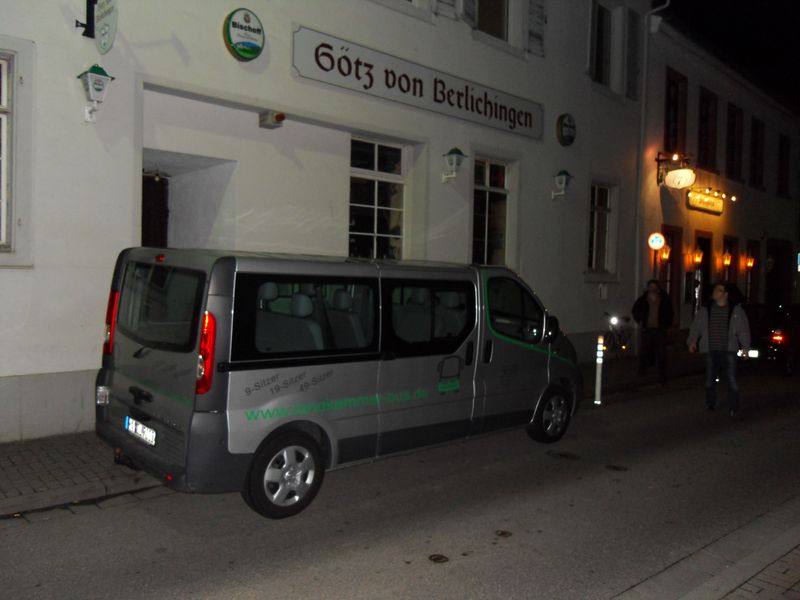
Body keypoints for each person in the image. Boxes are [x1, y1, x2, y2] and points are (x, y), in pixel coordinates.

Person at [687, 282, 751, 416]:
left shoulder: (736, 310)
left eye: (719, 290)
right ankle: (710, 403)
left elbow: (743, 330)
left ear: (725, 294)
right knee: (710, 378)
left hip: (729, 350)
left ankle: (734, 406)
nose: (715, 293)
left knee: (731, 378)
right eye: (715, 290)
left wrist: (745, 347)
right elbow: (696, 326)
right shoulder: (706, 309)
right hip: (711, 349)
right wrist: (692, 341)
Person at [632, 279, 674, 385]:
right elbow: (635, 310)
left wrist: (666, 324)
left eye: (654, 287)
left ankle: (662, 375)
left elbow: (670, 312)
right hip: (647, 329)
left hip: (660, 330)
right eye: (651, 287)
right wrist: (640, 320)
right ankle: (642, 370)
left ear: (657, 288)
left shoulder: (664, 299)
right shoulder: (643, 300)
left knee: (661, 352)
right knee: (644, 350)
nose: (652, 289)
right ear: (648, 288)